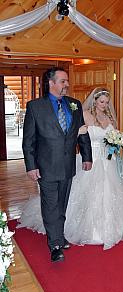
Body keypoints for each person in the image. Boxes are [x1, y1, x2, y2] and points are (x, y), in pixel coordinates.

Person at [18, 87, 123, 251]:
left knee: (108, 193)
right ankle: (73, 228)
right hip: (90, 159)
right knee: (87, 194)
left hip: (108, 161)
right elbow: (75, 134)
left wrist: (115, 143)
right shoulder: (84, 114)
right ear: (95, 100)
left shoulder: (109, 117)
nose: (104, 105)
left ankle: (109, 227)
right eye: (102, 102)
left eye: (107, 103)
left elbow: (112, 137)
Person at [21, 67, 92, 263]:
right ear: (51, 83)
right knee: (50, 205)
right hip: (45, 167)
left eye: (67, 81)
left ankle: (58, 236)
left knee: (61, 205)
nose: (66, 85)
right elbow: (28, 141)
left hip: (68, 166)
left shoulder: (74, 105)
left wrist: (87, 156)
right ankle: (55, 246)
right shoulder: (35, 107)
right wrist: (31, 166)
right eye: (62, 81)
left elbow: (82, 133)